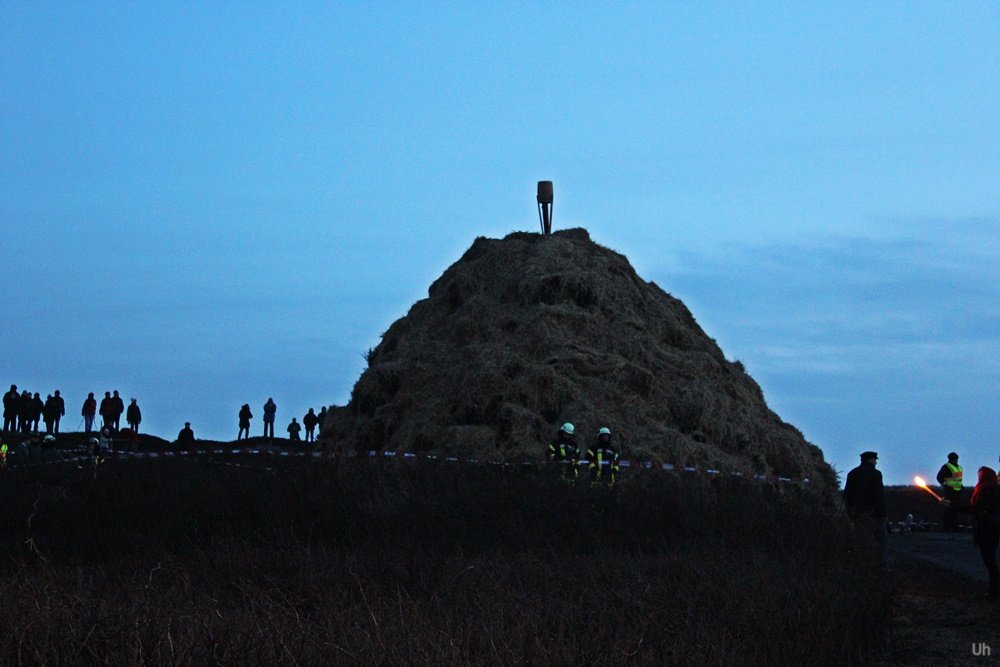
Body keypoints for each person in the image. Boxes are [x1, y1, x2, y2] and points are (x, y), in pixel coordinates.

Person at [942, 467, 1000, 601]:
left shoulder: (987, 492)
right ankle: (994, 590)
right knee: (990, 561)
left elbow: (973, 509)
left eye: (980, 476)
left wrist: (951, 505)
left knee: (990, 562)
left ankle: (994, 592)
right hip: (990, 530)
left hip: (987, 530)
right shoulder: (990, 490)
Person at [843, 451, 888, 570]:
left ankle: (858, 564)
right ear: (870, 460)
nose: (876, 462)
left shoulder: (852, 473)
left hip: (857, 513)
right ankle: (881, 566)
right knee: (881, 540)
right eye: (875, 459)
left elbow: (847, 495)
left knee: (859, 539)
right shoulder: (876, 474)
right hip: (873, 513)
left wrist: (849, 512)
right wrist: (882, 513)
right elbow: (879, 495)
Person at [936, 452, 964, 532]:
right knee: (948, 509)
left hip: (958, 492)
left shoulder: (959, 468)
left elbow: (958, 479)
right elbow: (939, 477)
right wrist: (945, 485)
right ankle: (947, 527)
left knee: (955, 510)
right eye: (955, 459)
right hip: (949, 492)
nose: (956, 460)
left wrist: (961, 486)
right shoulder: (946, 467)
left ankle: (954, 527)